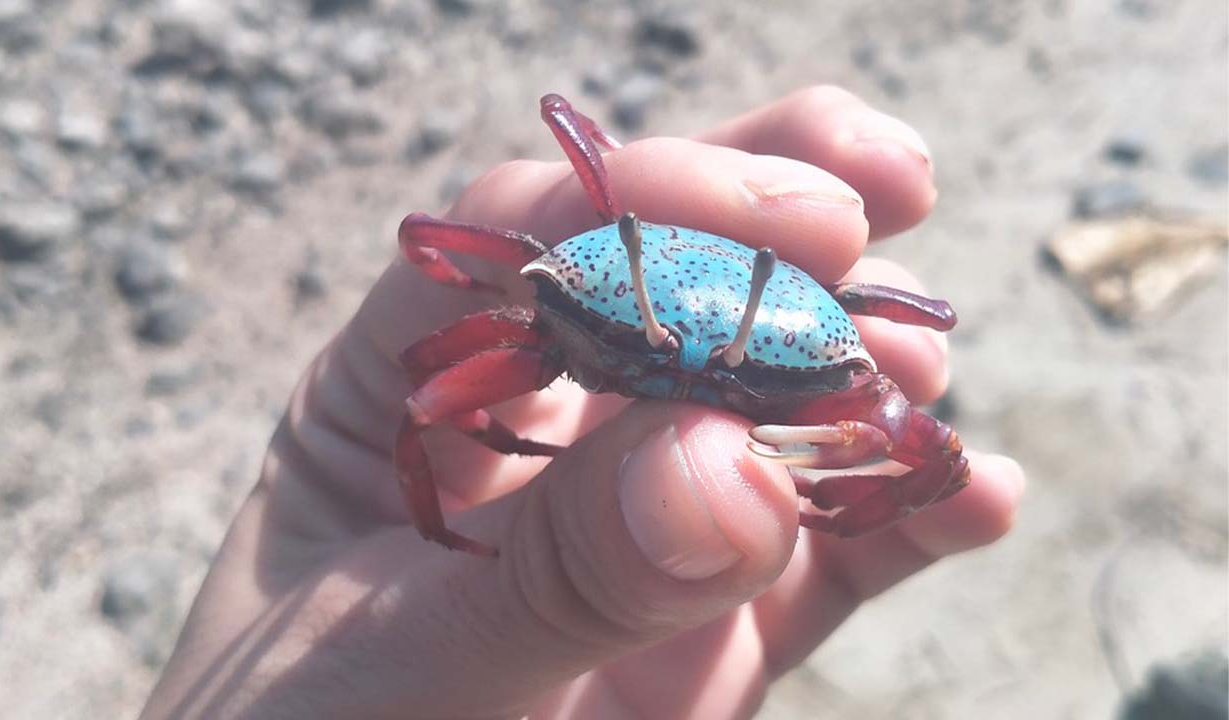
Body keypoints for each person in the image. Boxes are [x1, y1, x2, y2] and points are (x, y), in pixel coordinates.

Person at [140, 85, 1024, 720]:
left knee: (940, 454)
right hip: (588, 314)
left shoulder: (851, 371)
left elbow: (933, 458)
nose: (693, 370)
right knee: (424, 407)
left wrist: (841, 506)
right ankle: (450, 531)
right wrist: (493, 451)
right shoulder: (538, 307)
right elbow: (423, 350)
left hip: (777, 342)